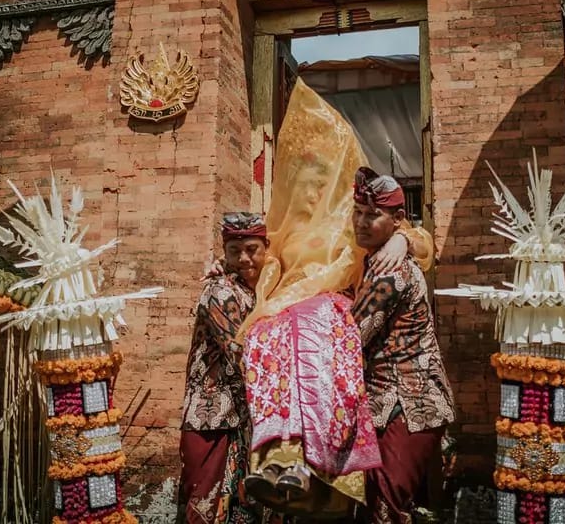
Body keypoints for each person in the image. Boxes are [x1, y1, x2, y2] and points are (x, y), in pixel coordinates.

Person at [236, 79, 435, 519]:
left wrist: (405, 238)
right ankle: (279, 462)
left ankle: (321, 468)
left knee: (316, 342)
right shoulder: (284, 234)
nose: (309, 192)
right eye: (302, 180)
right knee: (273, 345)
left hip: (336, 328)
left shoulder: (355, 228)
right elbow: (257, 267)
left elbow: (422, 246)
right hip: (293, 327)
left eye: (320, 180)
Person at [350, 167, 456, 523]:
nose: (361, 222)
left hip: (411, 403)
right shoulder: (374, 260)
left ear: (397, 220)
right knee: (382, 506)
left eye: (372, 215)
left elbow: (354, 332)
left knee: (386, 507)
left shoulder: (390, 269)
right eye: (358, 212)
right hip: (389, 404)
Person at [178, 212, 269, 524]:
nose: (243, 258)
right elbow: (241, 353)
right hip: (211, 420)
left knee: (240, 510)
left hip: (241, 420)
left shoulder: (258, 290)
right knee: (203, 509)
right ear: (224, 252)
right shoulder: (220, 292)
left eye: (252, 249)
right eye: (234, 251)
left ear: (266, 248)